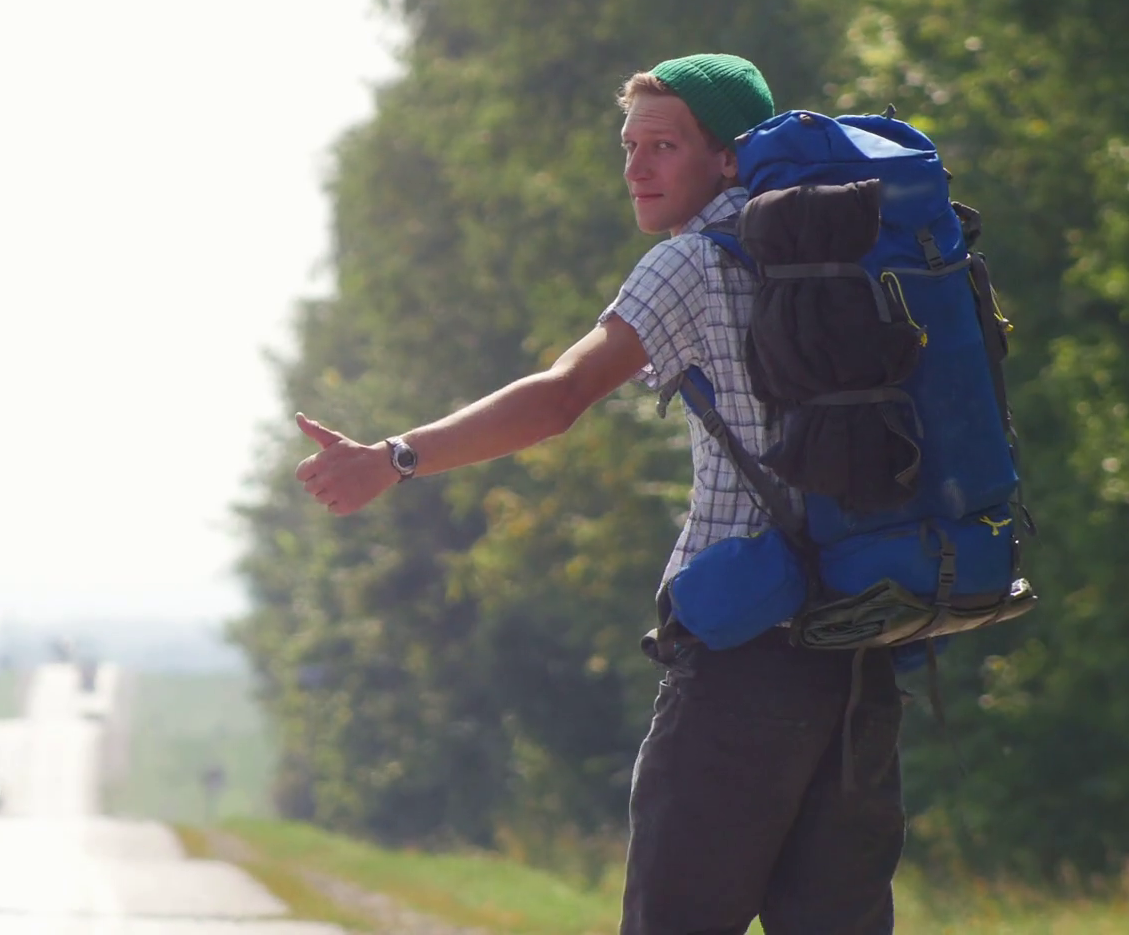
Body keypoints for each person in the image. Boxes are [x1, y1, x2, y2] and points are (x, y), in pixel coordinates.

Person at [293, 53, 904, 935]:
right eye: (629, 147)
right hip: (863, 643)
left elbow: (559, 398)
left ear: (729, 157)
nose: (637, 169)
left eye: (664, 146)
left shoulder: (691, 263)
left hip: (743, 651)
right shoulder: (862, 249)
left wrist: (395, 458)